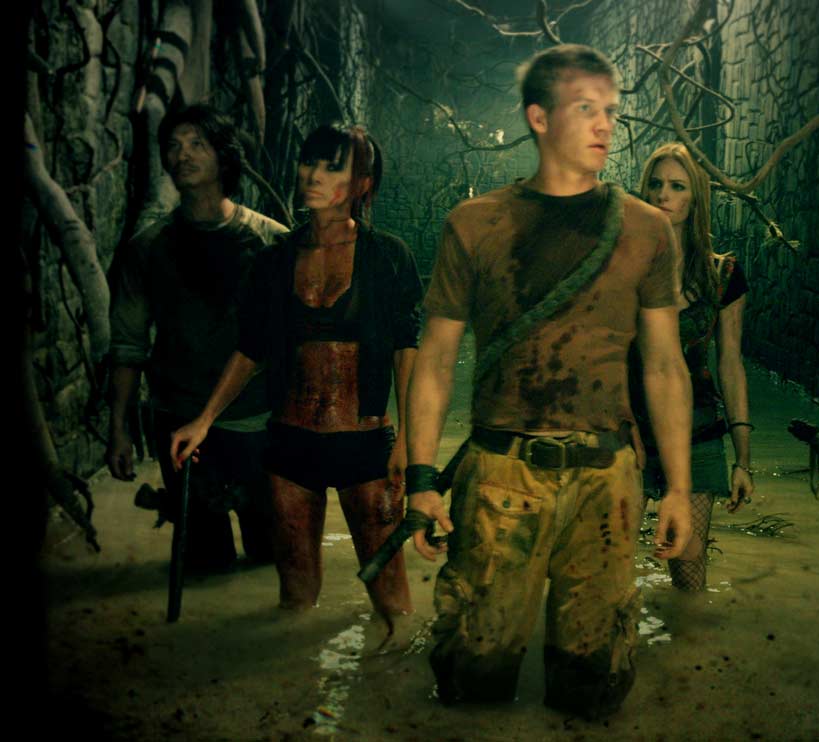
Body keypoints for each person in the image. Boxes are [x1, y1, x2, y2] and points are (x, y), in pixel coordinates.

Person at [404, 44, 693, 719]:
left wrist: (678, 488)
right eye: (586, 108)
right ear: (539, 117)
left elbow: (664, 365)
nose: (604, 125)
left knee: (594, 685)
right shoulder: (475, 224)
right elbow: (436, 360)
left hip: (606, 478)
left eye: (611, 111)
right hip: (501, 475)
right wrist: (421, 481)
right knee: (472, 676)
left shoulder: (646, 230)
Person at [170, 123, 421, 625]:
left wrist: (411, 440)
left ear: (362, 184)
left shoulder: (388, 256)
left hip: (365, 443)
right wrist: (204, 419)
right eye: (309, 162)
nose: (313, 175)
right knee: (295, 602)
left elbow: (407, 351)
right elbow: (251, 350)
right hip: (289, 444)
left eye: (332, 167)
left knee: (392, 603)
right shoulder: (274, 260)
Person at [109, 104, 286, 573]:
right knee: (206, 564)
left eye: (196, 144)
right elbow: (128, 345)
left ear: (223, 156)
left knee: (271, 557)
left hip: (256, 421)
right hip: (180, 419)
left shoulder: (271, 242)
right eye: (173, 146)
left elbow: (296, 344)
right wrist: (119, 429)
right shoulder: (148, 248)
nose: (182, 155)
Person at [630, 142, 754, 591]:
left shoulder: (722, 275)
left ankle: (687, 635)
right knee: (612, 564)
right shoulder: (622, 268)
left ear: (696, 199)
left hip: (697, 431)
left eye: (677, 186)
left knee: (688, 567)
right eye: (656, 184)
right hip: (628, 434)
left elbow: (730, 364)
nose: (664, 194)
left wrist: (743, 459)